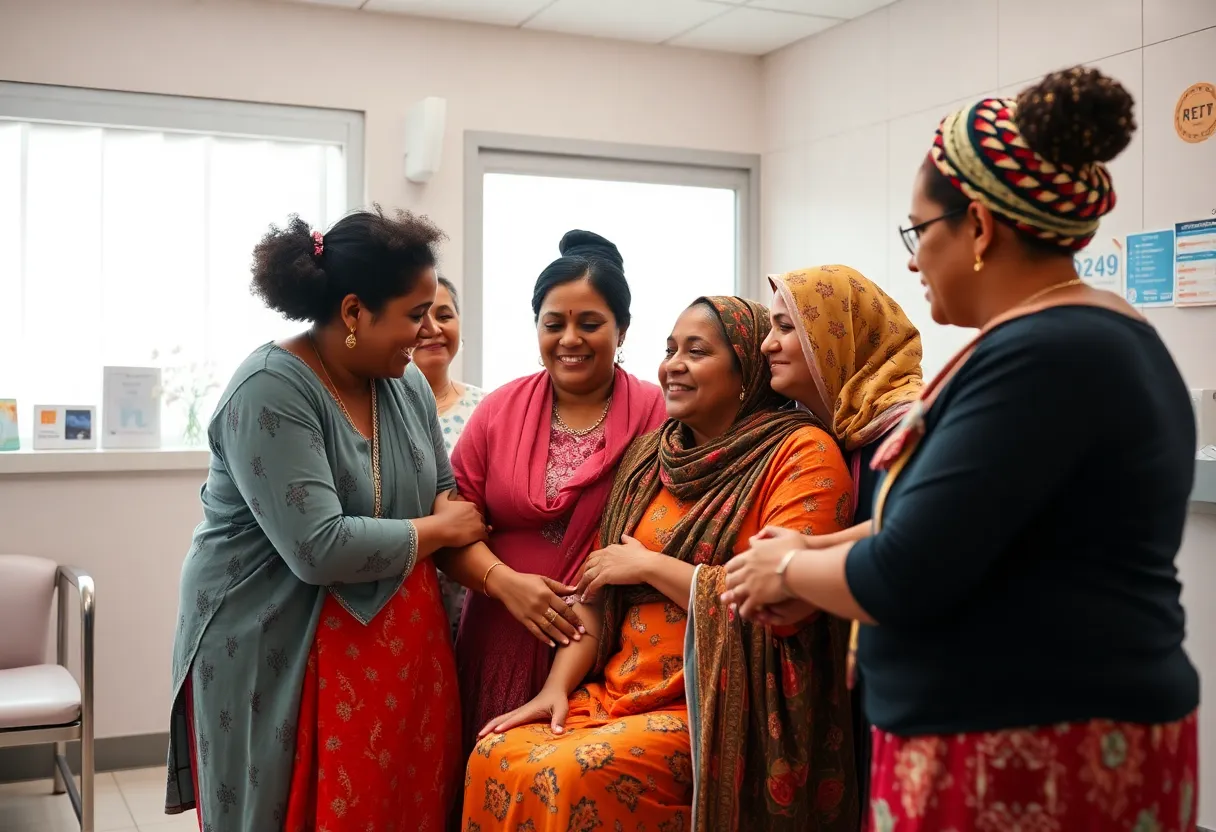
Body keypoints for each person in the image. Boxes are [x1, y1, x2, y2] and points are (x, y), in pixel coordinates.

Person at [724, 66, 1200, 831]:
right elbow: (956, 526)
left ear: (978, 227)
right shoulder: (1075, 338)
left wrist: (786, 566)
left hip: (1035, 748)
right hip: (1036, 729)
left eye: (920, 232)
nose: (913, 262)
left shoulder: (1047, 356)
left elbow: (907, 570)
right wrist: (815, 547)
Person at [460, 297, 859, 832]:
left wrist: (650, 568)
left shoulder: (799, 454)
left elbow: (788, 603)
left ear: (747, 372)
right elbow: (600, 590)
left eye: (696, 352)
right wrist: (554, 688)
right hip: (619, 693)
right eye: (670, 349)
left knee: (571, 773)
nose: (673, 364)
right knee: (497, 754)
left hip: (711, 702)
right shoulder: (651, 458)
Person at [164, 208, 489, 831]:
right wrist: (441, 532)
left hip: (384, 641)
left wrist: (442, 522)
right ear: (352, 313)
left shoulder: (405, 384)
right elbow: (320, 548)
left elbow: (443, 489)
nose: (426, 332)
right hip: (266, 636)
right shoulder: (269, 389)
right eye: (413, 314)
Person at [435, 230, 666, 756]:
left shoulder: (660, 416)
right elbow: (449, 531)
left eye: (590, 324)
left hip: (607, 647)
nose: (570, 339)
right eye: (553, 324)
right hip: (496, 630)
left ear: (622, 329)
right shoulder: (498, 411)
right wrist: (506, 585)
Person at [762, 264, 923, 808]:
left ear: (835, 333)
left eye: (787, 328)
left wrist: (790, 567)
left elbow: (900, 546)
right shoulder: (848, 429)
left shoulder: (906, 430)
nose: (768, 345)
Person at [412, 274, 486, 640]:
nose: (433, 328)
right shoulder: (372, 411)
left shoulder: (489, 407)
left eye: (445, 315)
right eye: (419, 316)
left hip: (473, 585)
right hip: (404, 583)